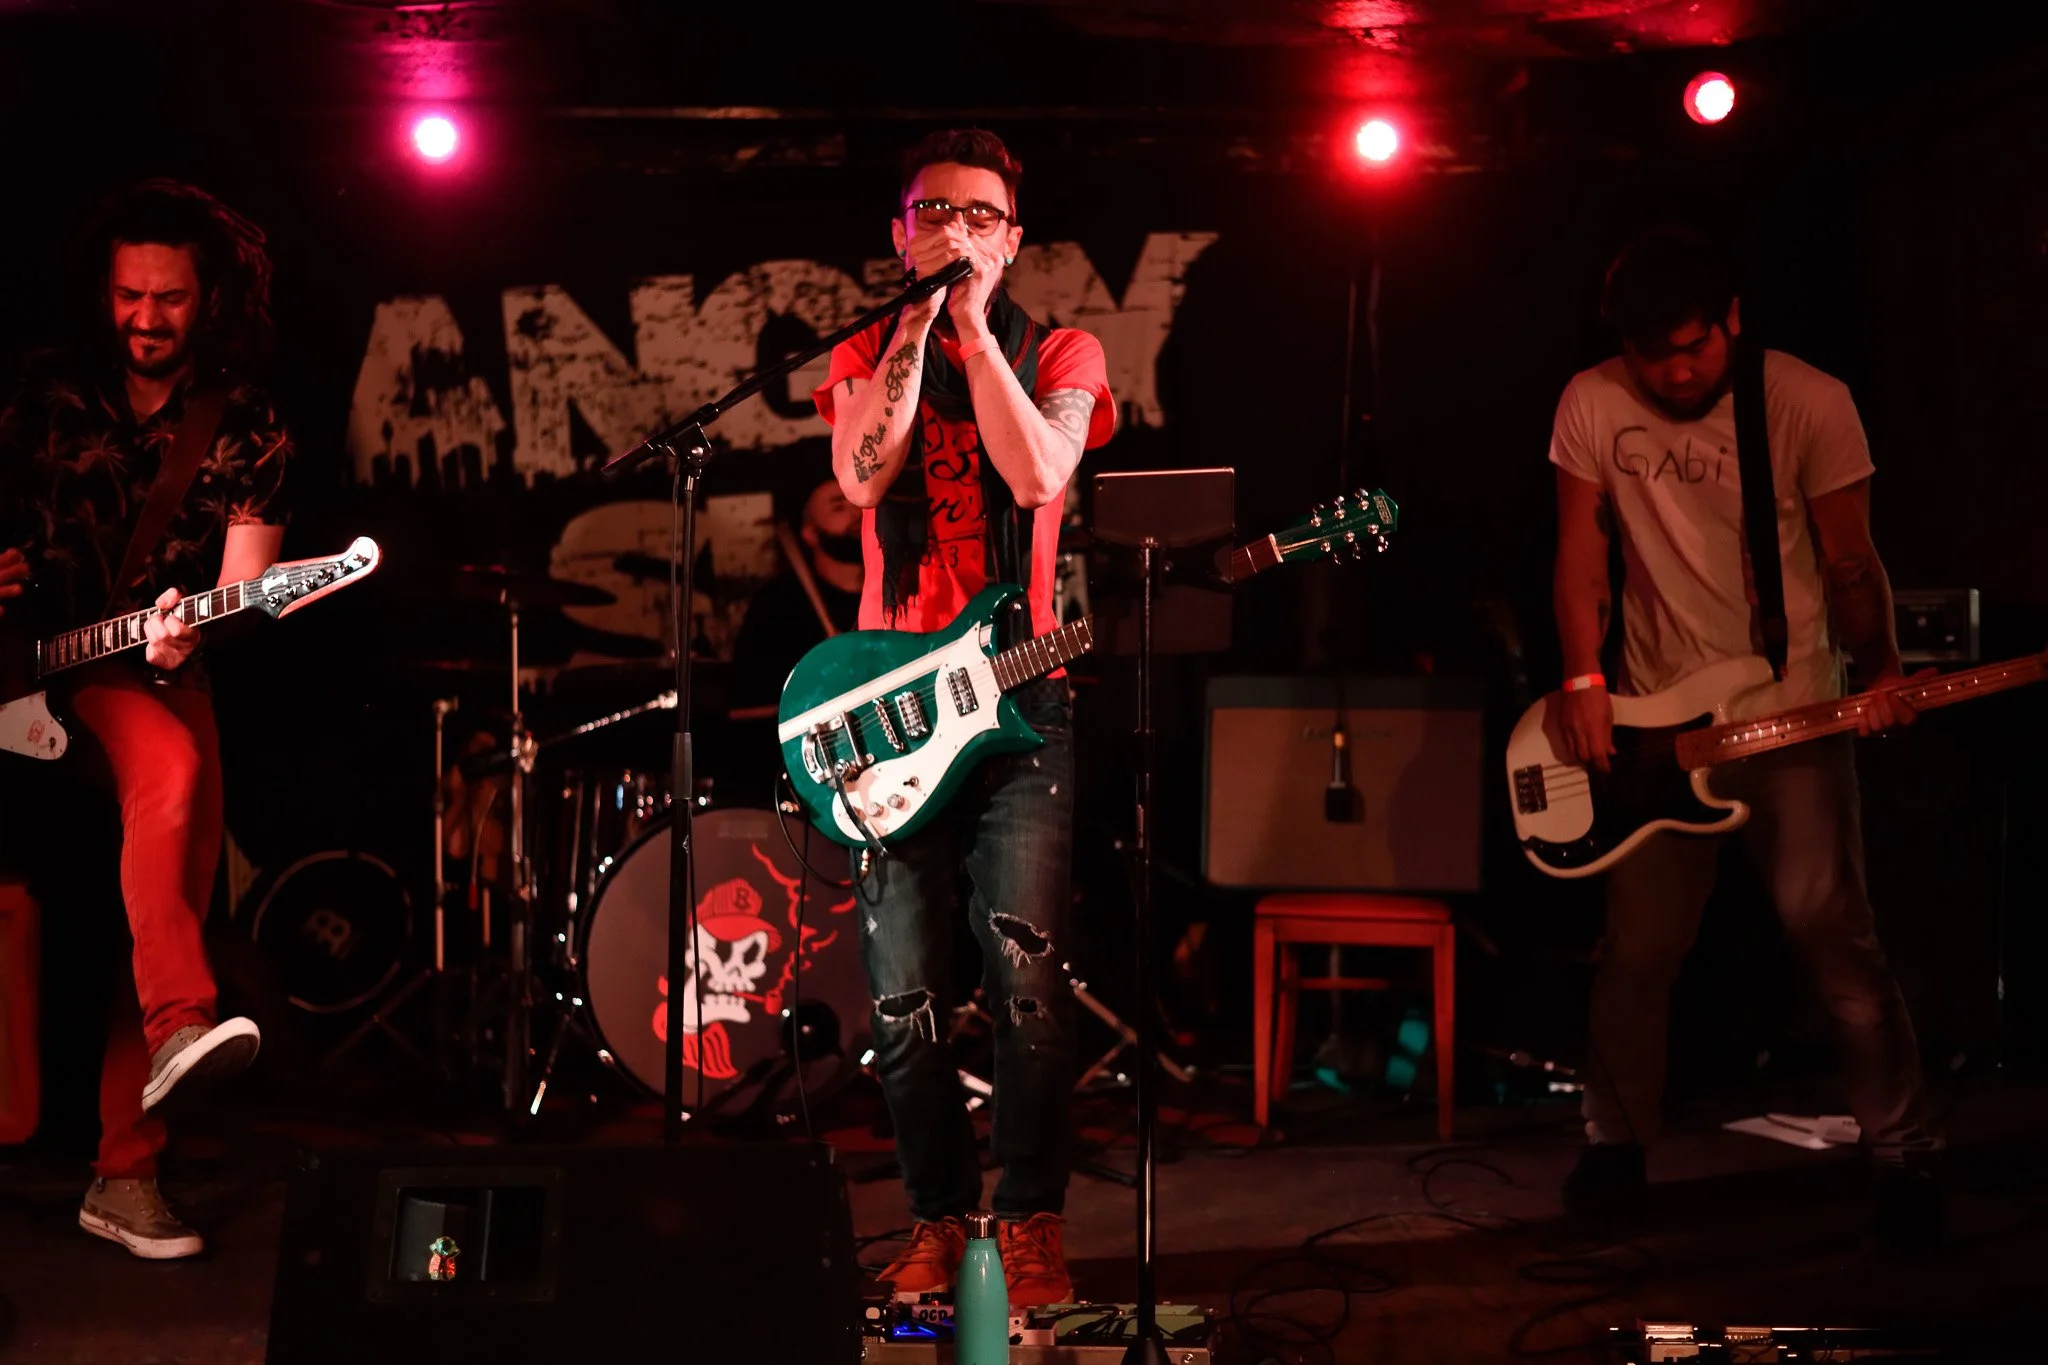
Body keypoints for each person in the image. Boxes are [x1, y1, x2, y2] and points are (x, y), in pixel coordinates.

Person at [1548, 226, 1940, 1249]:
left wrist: (1881, 670)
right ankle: (1613, 1146)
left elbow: (1849, 560)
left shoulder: (1807, 400)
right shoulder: (1590, 402)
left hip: (1790, 710)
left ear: (1732, 319)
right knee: (1637, 951)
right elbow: (1580, 552)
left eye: (1694, 348)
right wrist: (1585, 679)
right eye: (1653, 356)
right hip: (1658, 725)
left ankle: (1902, 1155)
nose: (1676, 372)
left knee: (1832, 933)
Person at [811, 128, 1114, 1306]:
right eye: (935, 212)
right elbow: (860, 476)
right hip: (887, 703)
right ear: (901, 234)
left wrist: (976, 332)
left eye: (980, 215)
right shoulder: (863, 348)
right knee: (903, 998)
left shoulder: (1061, 349)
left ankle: (1029, 1221)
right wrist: (918, 331)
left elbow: (1037, 476)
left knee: (1027, 983)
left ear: (1012, 238)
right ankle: (936, 1220)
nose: (957, 230)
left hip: (1022, 698)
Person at [0, 180, 291, 1259]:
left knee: (172, 829)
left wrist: (190, 634)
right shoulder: (40, 394)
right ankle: (176, 1024)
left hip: (151, 668)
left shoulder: (248, 419)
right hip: (19, 664)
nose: (148, 318)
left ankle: (128, 1168)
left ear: (208, 299)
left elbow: (245, 588)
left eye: (170, 298)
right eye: (131, 295)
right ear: (103, 292)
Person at [729, 463, 864, 711]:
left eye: (858, 501)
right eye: (838, 507)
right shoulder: (776, 606)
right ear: (810, 533)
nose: (857, 513)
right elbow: (753, 704)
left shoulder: (898, 590)